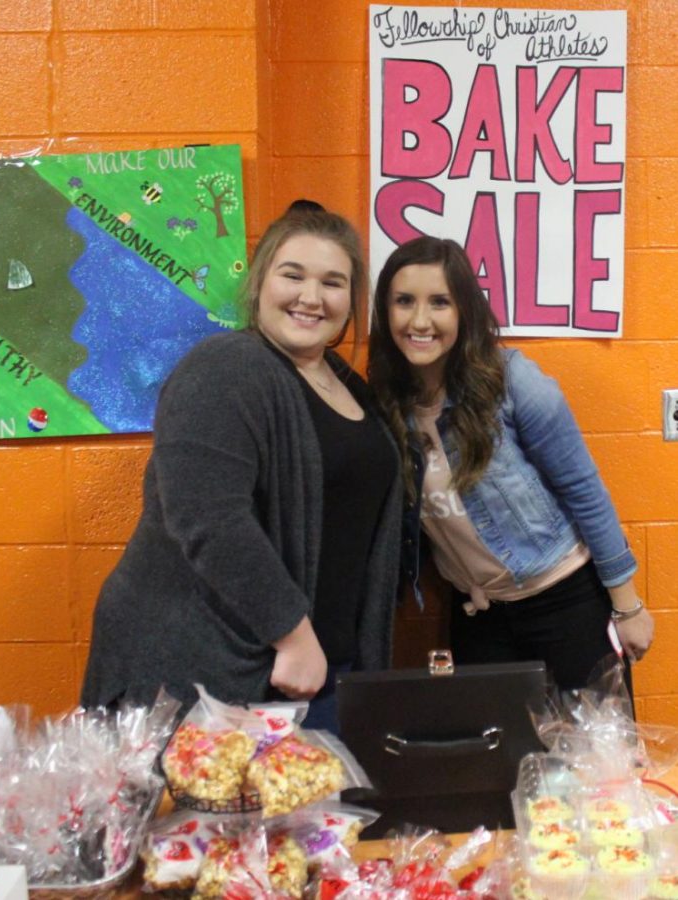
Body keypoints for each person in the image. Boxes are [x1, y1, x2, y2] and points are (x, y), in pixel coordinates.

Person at [81, 201, 402, 731]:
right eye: (292, 275)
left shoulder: (345, 382)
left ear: (352, 300)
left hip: (319, 669)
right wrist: (293, 635)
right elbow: (208, 517)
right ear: (259, 285)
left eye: (333, 282)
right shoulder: (224, 368)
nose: (310, 297)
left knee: (325, 813)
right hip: (226, 671)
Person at [368, 235, 654, 692]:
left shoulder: (512, 381)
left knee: (600, 758)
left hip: (565, 602)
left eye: (439, 302)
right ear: (385, 312)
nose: (420, 320)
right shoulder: (385, 401)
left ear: (464, 310)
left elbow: (584, 491)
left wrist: (627, 607)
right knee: (499, 761)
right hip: (478, 615)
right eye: (404, 301)